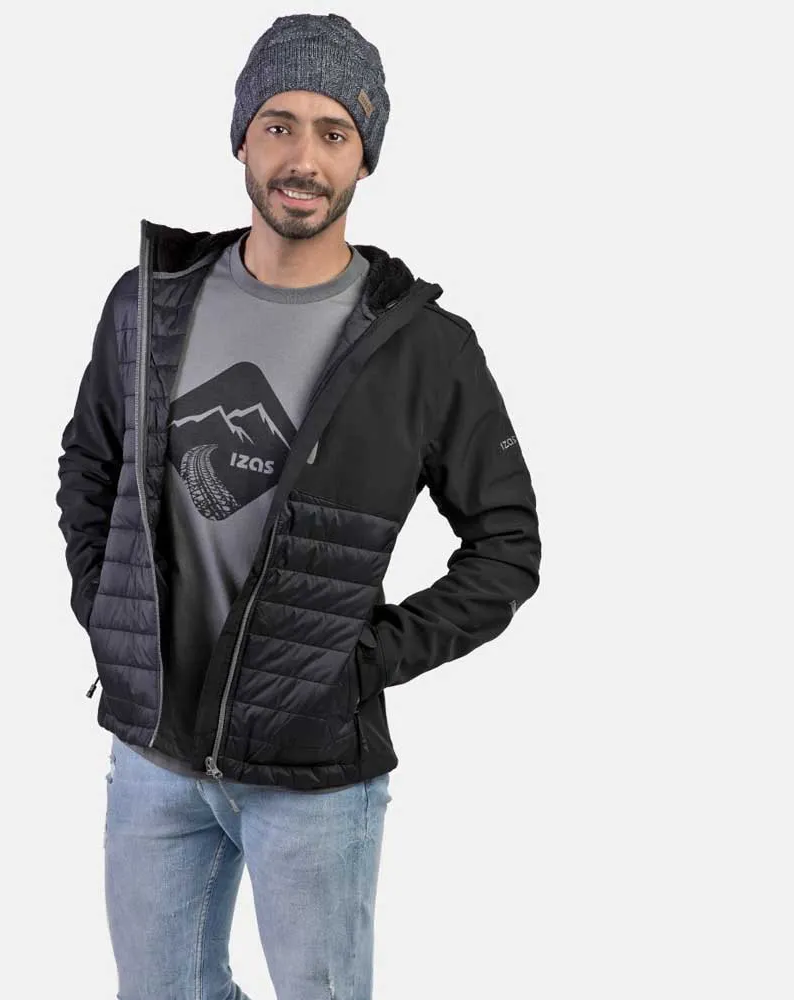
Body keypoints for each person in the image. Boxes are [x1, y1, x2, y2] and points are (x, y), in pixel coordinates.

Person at [55, 12, 541, 999]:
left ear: (365, 157)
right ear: (242, 138)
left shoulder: (425, 349)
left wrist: (357, 662)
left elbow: (506, 547)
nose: (303, 159)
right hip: (152, 749)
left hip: (313, 772)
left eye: (333, 132)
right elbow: (90, 462)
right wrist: (108, 611)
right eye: (278, 125)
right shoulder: (149, 302)